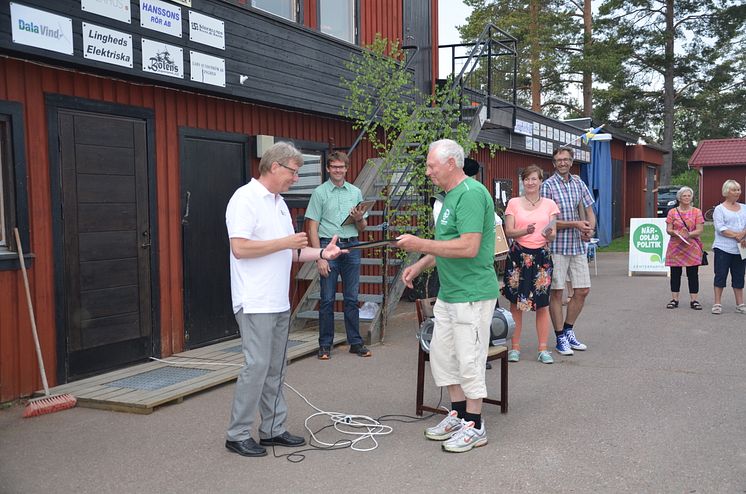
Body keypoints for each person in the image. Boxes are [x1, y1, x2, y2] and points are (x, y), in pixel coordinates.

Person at [224, 141, 346, 458]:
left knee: (276, 367)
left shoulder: (277, 202)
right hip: (255, 301)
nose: (296, 178)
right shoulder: (245, 199)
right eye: (293, 171)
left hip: (278, 301)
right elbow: (241, 248)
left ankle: (273, 430)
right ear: (275, 166)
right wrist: (284, 242)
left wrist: (322, 252)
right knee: (258, 365)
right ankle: (237, 434)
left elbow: (291, 251)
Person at [398, 139, 498, 453]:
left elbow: (468, 247)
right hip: (450, 294)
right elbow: (447, 242)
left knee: (470, 360)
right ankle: (458, 414)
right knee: (444, 357)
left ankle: (476, 425)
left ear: (451, 163)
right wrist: (421, 263)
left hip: (472, 293)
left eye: (431, 166)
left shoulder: (470, 195)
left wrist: (420, 245)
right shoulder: (450, 196)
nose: (428, 172)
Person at [306, 151, 371, 359]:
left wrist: (360, 218)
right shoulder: (319, 193)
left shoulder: (355, 192)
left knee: (352, 298)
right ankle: (325, 345)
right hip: (328, 246)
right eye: (334, 167)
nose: (338, 170)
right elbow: (312, 227)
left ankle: (355, 342)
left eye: (341, 167)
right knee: (327, 299)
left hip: (351, 247)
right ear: (328, 169)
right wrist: (320, 256)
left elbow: (362, 227)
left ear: (346, 168)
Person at [540, 146, 595, 356]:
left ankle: (569, 329)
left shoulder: (579, 182)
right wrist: (575, 224)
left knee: (582, 290)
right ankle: (559, 336)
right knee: (556, 292)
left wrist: (589, 228)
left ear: (572, 162)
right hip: (556, 247)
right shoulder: (547, 186)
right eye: (558, 160)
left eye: (566, 159)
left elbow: (589, 210)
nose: (562, 162)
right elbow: (548, 222)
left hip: (577, 246)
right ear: (554, 163)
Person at [502, 165, 559, 364]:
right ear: (522, 182)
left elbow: (553, 232)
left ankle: (543, 349)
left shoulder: (550, 204)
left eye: (535, 179)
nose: (531, 183)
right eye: (527, 179)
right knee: (516, 304)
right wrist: (524, 231)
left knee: (542, 304)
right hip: (518, 256)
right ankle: (515, 348)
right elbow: (508, 232)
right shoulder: (514, 203)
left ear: (541, 181)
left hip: (541, 257)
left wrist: (549, 233)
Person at [664, 186, 705, 310]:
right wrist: (676, 233)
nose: (687, 198)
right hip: (675, 246)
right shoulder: (672, 212)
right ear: (679, 198)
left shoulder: (697, 212)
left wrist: (688, 234)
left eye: (689, 195)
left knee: (693, 274)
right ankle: (674, 299)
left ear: (692, 197)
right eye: (684, 196)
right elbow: (668, 229)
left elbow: (699, 230)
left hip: (692, 246)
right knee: (675, 273)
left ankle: (694, 300)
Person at [711, 179, 746, 315]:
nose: (737, 192)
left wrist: (744, 236)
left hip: (741, 248)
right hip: (723, 248)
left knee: (739, 275)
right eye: (734, 190)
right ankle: (717, 303)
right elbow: (721, 228)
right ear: (726, 192)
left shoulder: (744, 207)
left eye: (738, 189)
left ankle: (740, 304)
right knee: (720, 275)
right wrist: (737, 236)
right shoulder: (719, 209)